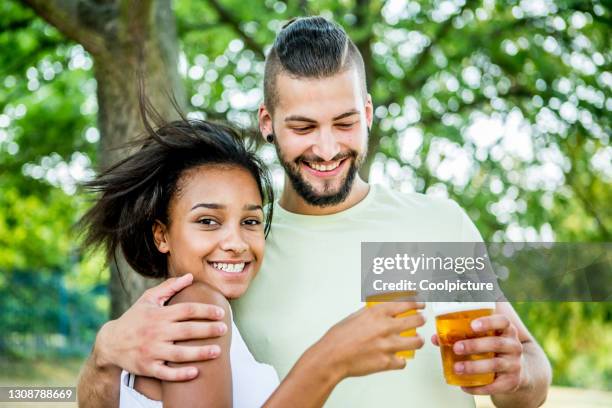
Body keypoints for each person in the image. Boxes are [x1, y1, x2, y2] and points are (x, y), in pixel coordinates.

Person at [78, 17, 552, 407]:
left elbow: (533, 373)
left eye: (344, 123)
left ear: (367, 114)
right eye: (303, 126)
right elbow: (116, 393)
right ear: (268, 122)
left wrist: (516, 375)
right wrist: (102, 357)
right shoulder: (237, 254)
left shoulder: (440, 223)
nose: (326, 149)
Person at [78, 106, 426, 407]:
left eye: (250, 221)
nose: (236, 242)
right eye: (208, 221)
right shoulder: (198, 307)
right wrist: (328, 361)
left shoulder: (170, 318)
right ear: (162, 235)